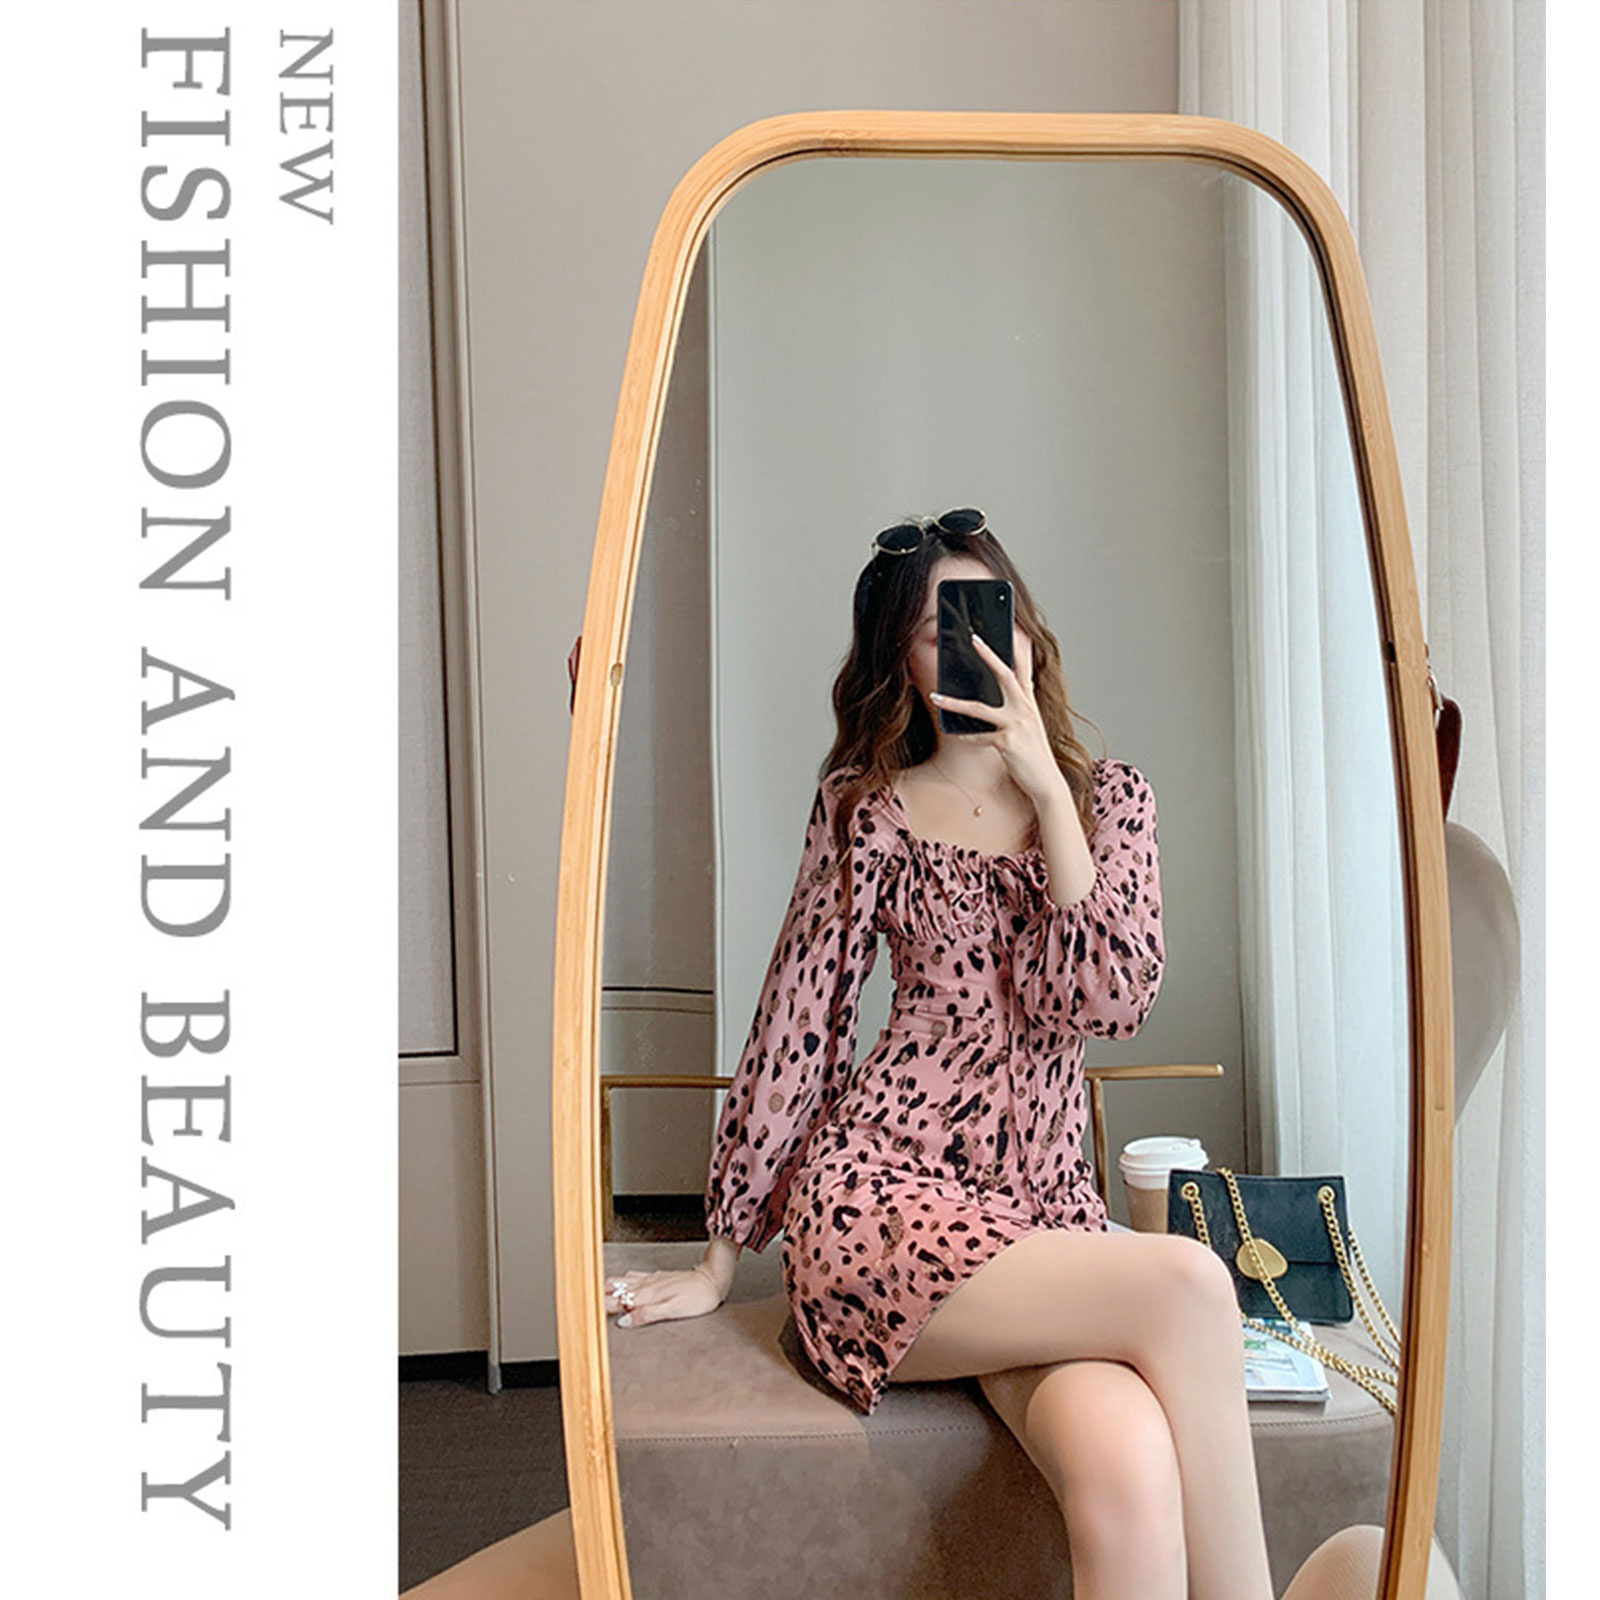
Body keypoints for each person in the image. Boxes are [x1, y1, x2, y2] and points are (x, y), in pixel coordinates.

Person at [602, 508, 1278, 1600]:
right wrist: (719, 1259)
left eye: (988, 612)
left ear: (1026, 630)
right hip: (884, 1201)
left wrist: (1047, 791)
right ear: (902, 664)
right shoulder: (866, 811)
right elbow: (797, 1017)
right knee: (1193, 1284)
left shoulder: (1108, 803)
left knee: (1128, 1470)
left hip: (1043, 1218)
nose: (974, 645)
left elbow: (1106, 999)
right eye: (936, 628)